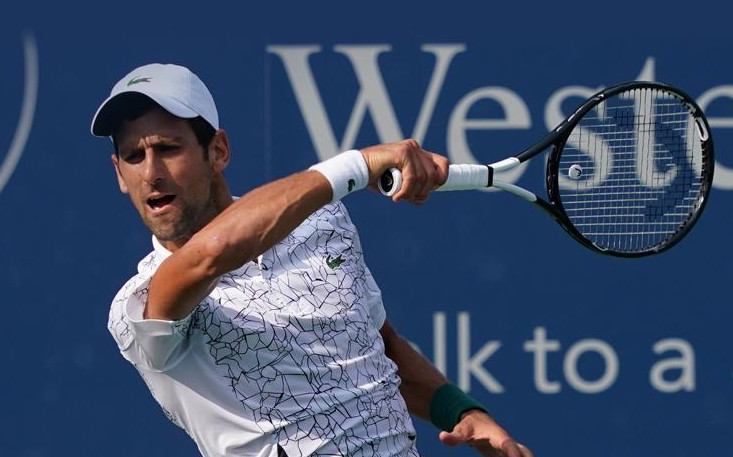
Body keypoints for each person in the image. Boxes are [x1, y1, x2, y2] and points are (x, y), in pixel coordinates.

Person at [92, 63, 533, 457]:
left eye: (168, 148)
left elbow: (379, 348)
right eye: (134, 156)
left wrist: (462, 412)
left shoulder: (321, 221)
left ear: (218, 151)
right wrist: (356, 166)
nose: (151, 173)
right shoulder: (141, 302)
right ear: (119, 174)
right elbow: (211, 254)